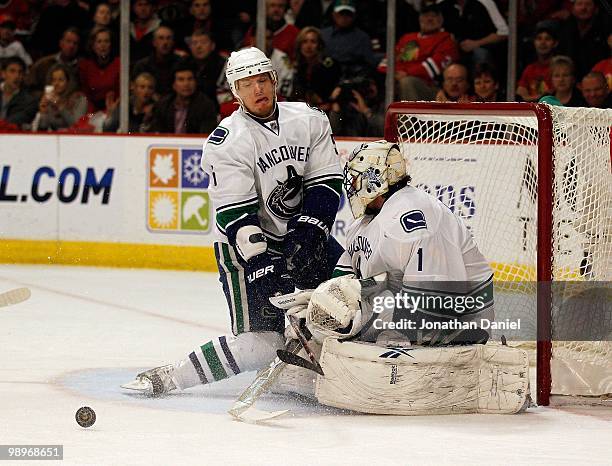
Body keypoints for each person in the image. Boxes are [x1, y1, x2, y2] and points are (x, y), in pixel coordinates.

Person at [122, 47, 344, 396]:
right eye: (246, 84)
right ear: (235, 92)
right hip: (245, 249)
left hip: (302, 231)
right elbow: (237, 217)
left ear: (274, 81)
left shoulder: (309, 119)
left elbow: (327, 182)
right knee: (261, 343)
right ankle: (170, 377)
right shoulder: (228, 141)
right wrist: (265, 266)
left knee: (350, 290)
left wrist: (310, 233)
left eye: (262, 80)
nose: (257, 90)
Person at [288, 140, 494, 348]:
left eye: (356, 179)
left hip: (462, 320)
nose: (351, 187)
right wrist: (323, 302)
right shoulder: (364, 223)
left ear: (374, 179)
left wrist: (352, 317)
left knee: (352, 317)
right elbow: (346, 276)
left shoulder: (416, 217)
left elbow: (436, 301)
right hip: (413, 309)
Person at [391, 4, 459, 102]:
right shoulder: (407, 38)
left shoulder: (447, 40)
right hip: (398, 77)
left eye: (433, 16)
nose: (429, 19)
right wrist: (393, 74)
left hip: (431, 87)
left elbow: (433, 66)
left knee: (407, 82)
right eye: (426, 16)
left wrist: (406, 73)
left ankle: (411, 117)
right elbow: (389, 60)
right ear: (420, 19)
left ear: (441, 20)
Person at [147, 60, 217, 134]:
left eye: (190, 79)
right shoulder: (163, 105)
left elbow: (206, 135)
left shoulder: (206, 106)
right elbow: (155, 133)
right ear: (174, 85)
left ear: (195, 82)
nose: (186, 84)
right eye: (181, 80)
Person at [291, 26, 341, 109]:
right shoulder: (299, 67)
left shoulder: (329, 65)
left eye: (313, 42)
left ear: (319, 45)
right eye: (304, 42)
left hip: (328, 108)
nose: (308, 46)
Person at [25, 27, 81, 95]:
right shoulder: (44, 63)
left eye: (75, 43)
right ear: (61, 43)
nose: (72, 46)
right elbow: (30, 87)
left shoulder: (81, 67)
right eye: (68, 41)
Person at [132, 25, 182, 96]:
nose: (165, 42)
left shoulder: (181, 63)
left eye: (168, 38)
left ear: (173, 42)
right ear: (154, 42)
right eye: (161, 38)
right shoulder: (142, 66)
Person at [78, 27, 120, 111]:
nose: (103, 45)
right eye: (99, 41)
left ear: (111, 44)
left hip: (115, 109)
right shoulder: (85, 65)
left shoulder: (119, 64)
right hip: (92, 111)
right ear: (93, 46)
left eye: (106, 41)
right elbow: (85, 94)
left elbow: (121, 94)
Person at [516, 20, 558, 102]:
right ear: (534, 42)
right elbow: (520, 93)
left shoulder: (559, 68)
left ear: (555, 43)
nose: (543, 42)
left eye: (547, 39)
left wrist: (529, 98)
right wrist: (540, 97)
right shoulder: (530, 68)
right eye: (539, 38)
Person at [0, 56, 37, 129]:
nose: (17, 76)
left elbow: (14, 121)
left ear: (23, 76)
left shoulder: (29, 102)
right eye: (12, 71)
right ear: (3, 74)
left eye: (20, 72)